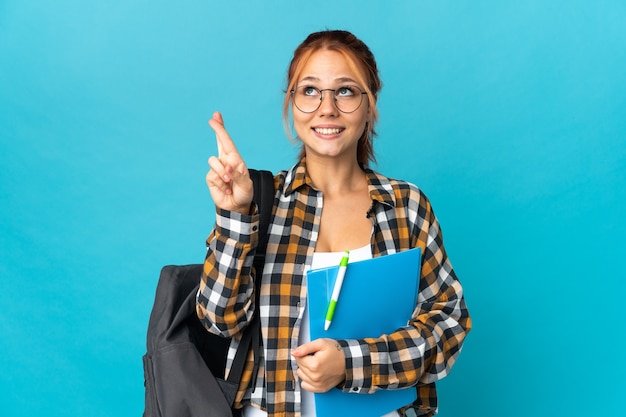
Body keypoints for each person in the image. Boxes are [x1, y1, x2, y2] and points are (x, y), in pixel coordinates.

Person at [196, 30, 471, 417]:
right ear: (291, 103)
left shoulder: (405, 206)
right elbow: (218, 320)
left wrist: (351, 362)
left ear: (370, 104)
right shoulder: (260, 199)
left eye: (345, 91)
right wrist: (235, 215)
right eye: (309, 91)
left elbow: (448, 322)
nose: (326, 108)